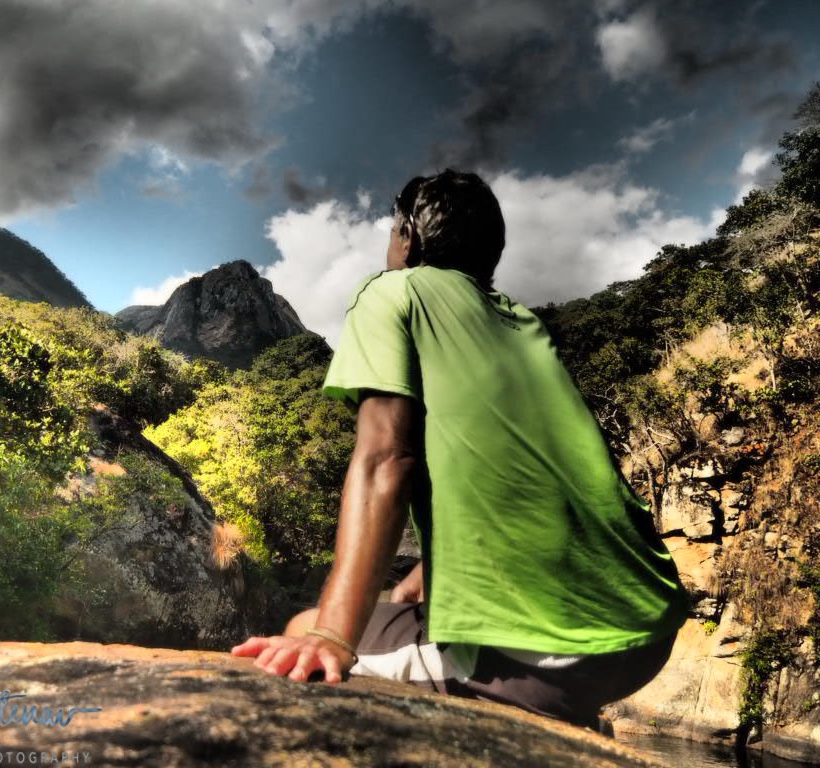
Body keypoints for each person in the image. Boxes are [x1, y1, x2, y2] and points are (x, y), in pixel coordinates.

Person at [231, 169, 690, 730]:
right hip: (648, 630)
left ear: (407, 236)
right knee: (396, 608)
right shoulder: (522, 323)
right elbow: (522, 477)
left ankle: (528, 697)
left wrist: (332, 635)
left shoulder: (392, 291)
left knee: (302, 627)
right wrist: (426, 575)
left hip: (552, 653)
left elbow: (384, 460)